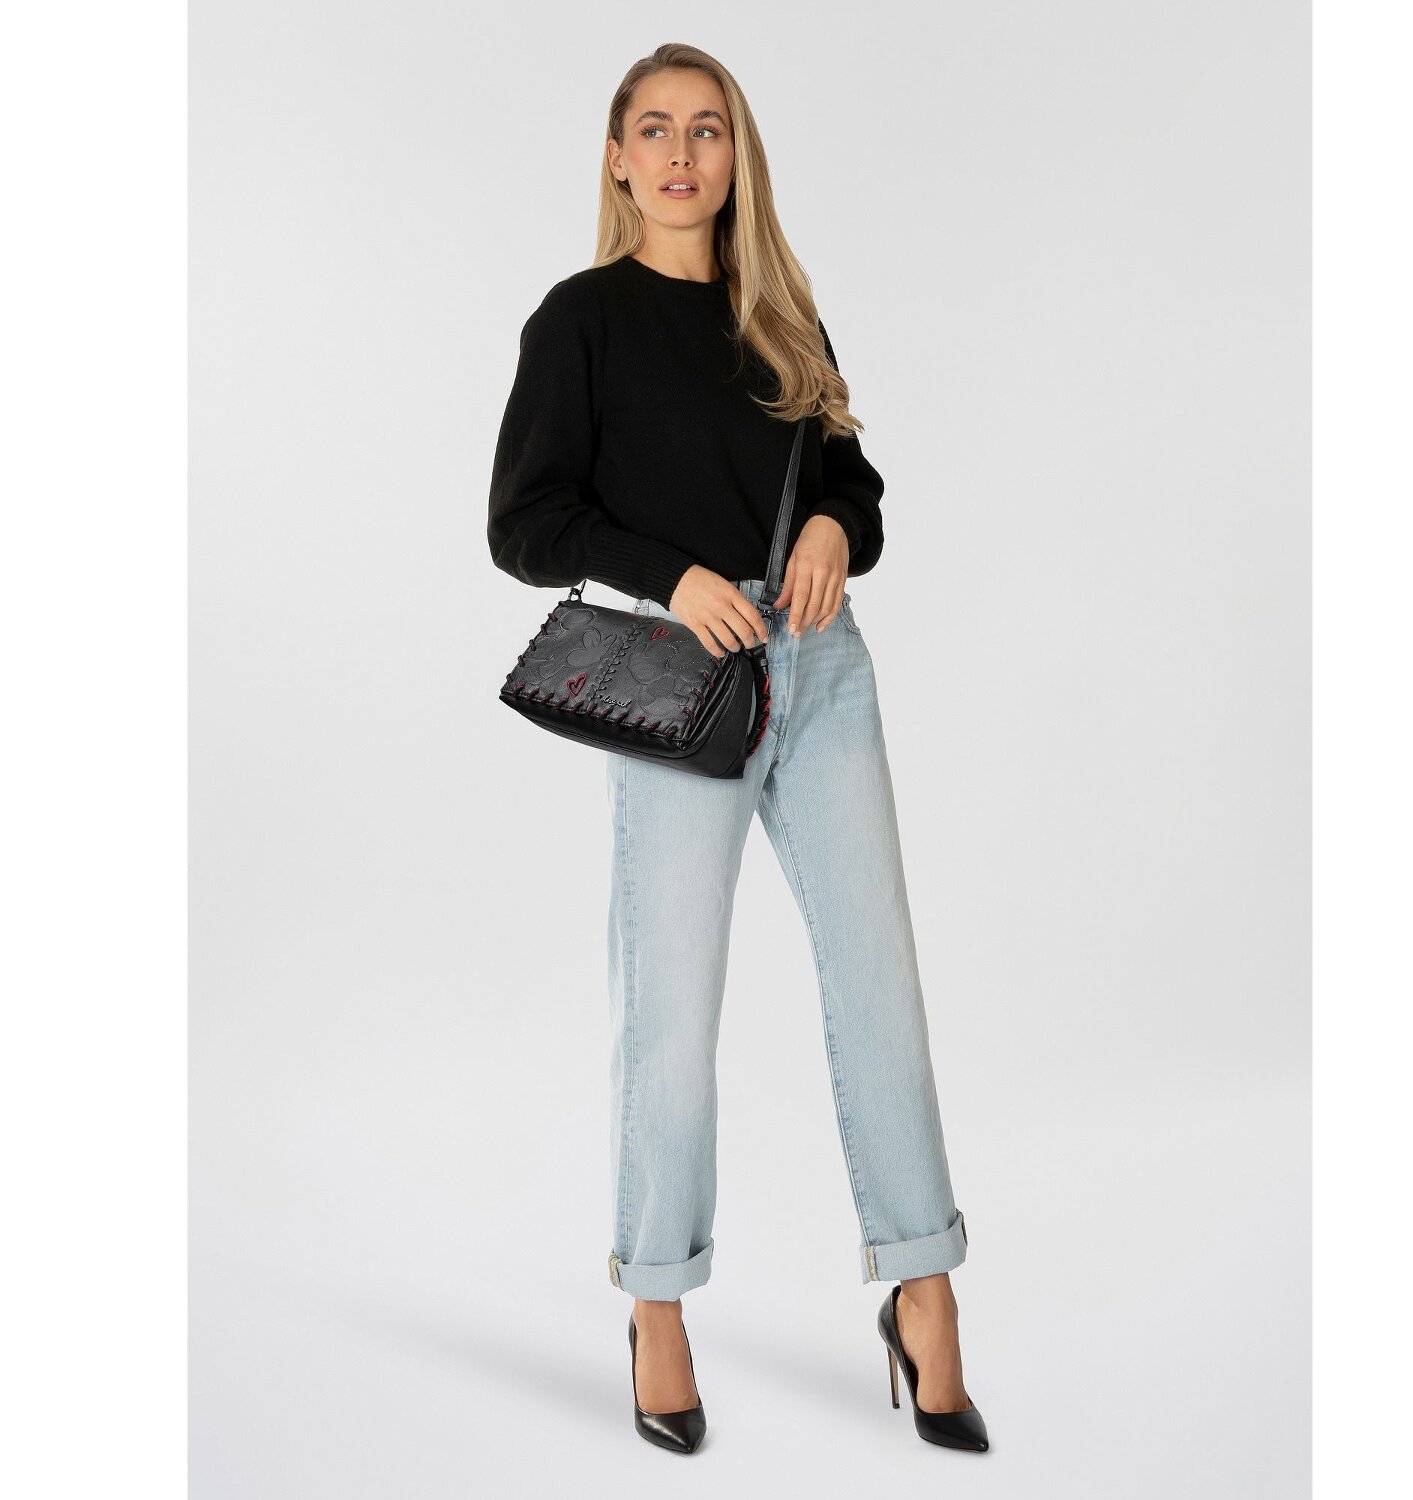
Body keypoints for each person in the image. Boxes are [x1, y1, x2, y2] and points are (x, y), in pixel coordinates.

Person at [487, 43, 988, 1456]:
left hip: (820, 669)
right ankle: (656, 1300)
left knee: (879, 983)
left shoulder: (780, 312)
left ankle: (925, 1287)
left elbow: (853, 484)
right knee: (672, 1011)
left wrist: (830, 526)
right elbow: (524, 522)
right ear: (617, 159)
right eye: (654, 130)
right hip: (683, 678)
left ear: (735, 156)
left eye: (706, 130)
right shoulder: (579, 321)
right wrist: (672, 575)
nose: (681, 153)